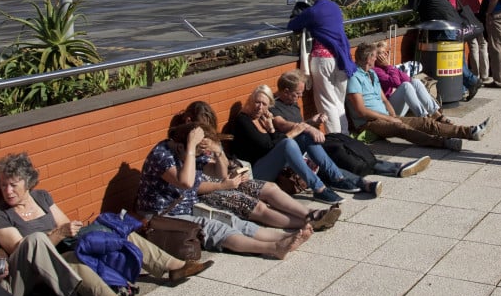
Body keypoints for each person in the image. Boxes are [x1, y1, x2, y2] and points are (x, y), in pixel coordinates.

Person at [0, 153, 213, 296]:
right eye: (3, 185)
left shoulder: (41, 197)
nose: (7, 191)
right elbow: (26, 251)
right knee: (74, 260)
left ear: (27, 182)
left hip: (66, 245)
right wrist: (58, 234)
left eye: (13, 184)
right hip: (44, 265)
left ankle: (174, 266)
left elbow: (65, 224)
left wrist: (72, 230)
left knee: (117, 232)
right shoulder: (0, 216)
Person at [136, 124, 311, 260]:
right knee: (215, 228)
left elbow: (220, 174)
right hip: (161, 215)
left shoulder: (190, 153)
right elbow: (187, 182)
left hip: (185, 208)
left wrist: (218, 151)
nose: (199, 156)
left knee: (232, 221)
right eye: (196, 152)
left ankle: (283, 238)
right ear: (182, 147)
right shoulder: (162, 155)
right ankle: (274, 248)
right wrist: (191, 148)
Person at [170, 102, 343, 230]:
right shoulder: (177, 147)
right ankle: (310, 222)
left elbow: (221, 171)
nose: (206, 134)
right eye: (202, 128)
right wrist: (223, 184)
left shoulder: (208, 138)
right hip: (206, 192)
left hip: (225, 181)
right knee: (256, 206)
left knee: (270, 188)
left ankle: (313, 212)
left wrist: (219, 153)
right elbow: (190, 185)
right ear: (189, 121)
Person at [346, 42, 489, 152]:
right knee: (403, 129)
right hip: (369, 122)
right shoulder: (354, 78)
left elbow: (383, 99)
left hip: (385, 116)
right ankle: (443, 142)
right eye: (375, 55)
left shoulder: (372, 74)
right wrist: (389, 119)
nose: (377, 58)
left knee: (424, 123)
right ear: (368, 58)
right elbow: (361, 111)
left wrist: (393, 115)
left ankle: (470, 131)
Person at [231, 85, 355, 204]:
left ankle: (338, 178)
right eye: (257, 102)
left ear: (268, 107)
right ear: (250, 101)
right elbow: (267, 146)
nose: (260, 107)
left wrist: (272, 129)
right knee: (288, 143)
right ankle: (319, 188)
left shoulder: (262, 119)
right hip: (255, 173)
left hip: (272, 164)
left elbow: (275, 141)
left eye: (264, 104)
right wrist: (292, 132)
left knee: (305, 137)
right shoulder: (243, 120)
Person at [268, 70, 386, 196]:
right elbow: (282, 124)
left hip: (306, 148)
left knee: (334, 154)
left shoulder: (293, 103)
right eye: (298, 94)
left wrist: (312, 121)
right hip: (292, 154)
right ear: (286, 92)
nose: (300, 97)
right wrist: (308, 127)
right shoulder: (274, 107)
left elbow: (300, 126)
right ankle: (359, 183)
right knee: (323, 164)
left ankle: (362, 179)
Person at [287, 0, 356, 134]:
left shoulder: (312, 11)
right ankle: (345, 137)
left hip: (323, 60)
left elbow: (291, 25)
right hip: (342, 60)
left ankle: (337, 140)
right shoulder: (335, 8)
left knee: (327, 104)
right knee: (339, 102)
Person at [407, 0, 480, 99]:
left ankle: (472, 81)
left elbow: (412, 5)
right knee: (456, 56)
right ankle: (464, 86)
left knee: (450, 58)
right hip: (452, 20)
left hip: (441, 24)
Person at [372, 39, 444, 120]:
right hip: (387, 110)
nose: (386, 54)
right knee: (406, 86)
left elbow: (407, 79)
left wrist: (390, 67)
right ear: (375, 57)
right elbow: (396, 83)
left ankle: (435, 113)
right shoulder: (375, 70)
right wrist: (388, 66)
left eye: (386, 52)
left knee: (415, 81)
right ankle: (423, 118)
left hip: (395, 105)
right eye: (381, 53)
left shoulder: (386, 68)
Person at [452, 0, 491, 83]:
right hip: (481, 14)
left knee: (473, 45)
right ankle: (485, 74)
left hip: (467, 15)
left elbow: (457, 1)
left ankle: (476, 74)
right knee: (483, 44)